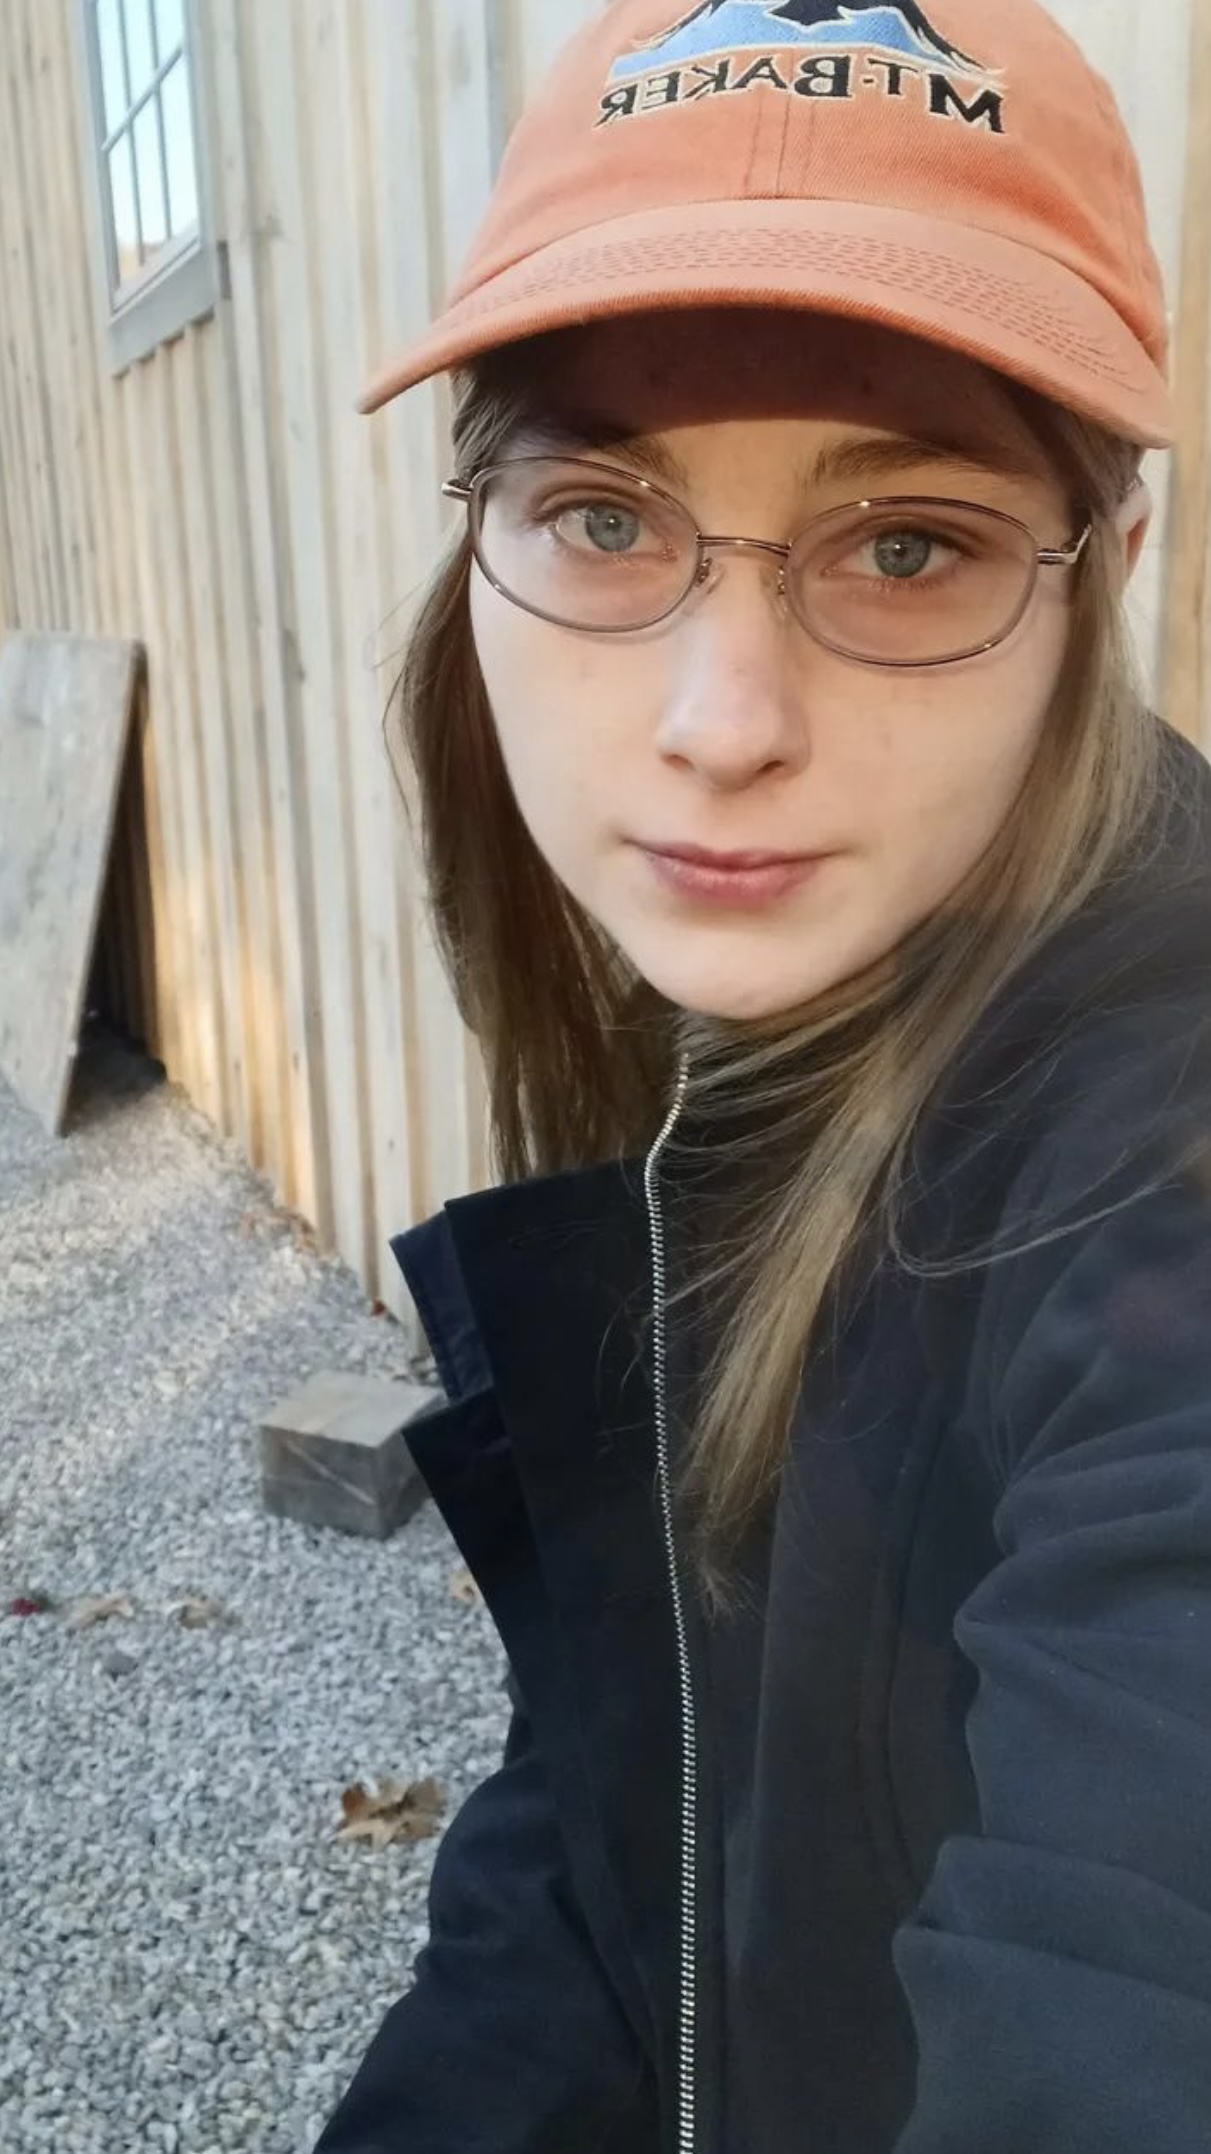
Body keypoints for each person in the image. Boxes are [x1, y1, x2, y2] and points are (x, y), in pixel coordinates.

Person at [314, 2, 1211, 2148]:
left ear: (1098, 582)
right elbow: (622, 1793)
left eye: (906, 545)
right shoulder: (776, 1009)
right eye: (605, 517)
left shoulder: (1161, 1161)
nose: (724, 722)